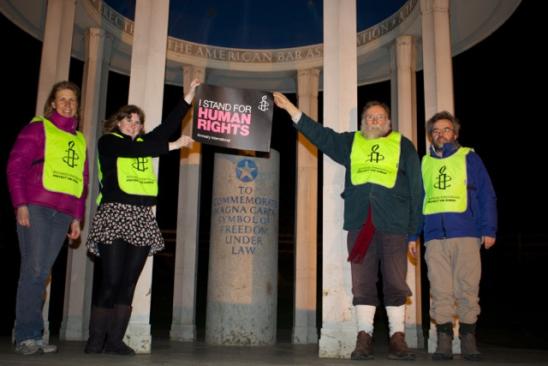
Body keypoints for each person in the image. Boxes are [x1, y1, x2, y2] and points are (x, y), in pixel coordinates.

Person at [273, 93, 421, 360]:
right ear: (363, 122)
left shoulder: (404, 145)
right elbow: (322, 136)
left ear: (388, 122)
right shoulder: (351, 142)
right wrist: (293, 110)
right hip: (359, 224)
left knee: (396, 281)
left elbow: (417, 189)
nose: (374, 120)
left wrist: (414, 230)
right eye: (369, 117)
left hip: (394, 225)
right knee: (362, 283)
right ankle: (363, 337)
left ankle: (397, 338)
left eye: (379, 117)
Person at [84, 79, 200, 355]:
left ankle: (114, 340)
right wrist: (173, 146)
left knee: (129, 282)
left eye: (138, 122)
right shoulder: (109, 143)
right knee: (110, 280)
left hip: (141, 218)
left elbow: (168, 127)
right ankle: (95, 339)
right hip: (114, 215)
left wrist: (188, 99)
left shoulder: (145, 142)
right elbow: (135, 149)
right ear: (117, 122)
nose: (133, 125)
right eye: (128, 120)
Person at [7, 81, 89, 355]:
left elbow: (82, 181)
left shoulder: (79, 139)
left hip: (63, 214)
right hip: (37, 206)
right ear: (53, 104)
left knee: (42, 273)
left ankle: (33, 333)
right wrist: (20, 204)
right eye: (62, 99)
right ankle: (25, 335)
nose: (67, 104)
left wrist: (77, 218)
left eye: (72, 100)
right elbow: (15, 166)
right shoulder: (37, 128)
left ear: (77, 105)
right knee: (33, 270)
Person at [421, 111, 496, 361]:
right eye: (435, 131)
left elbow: (486, 194)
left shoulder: (469, 158)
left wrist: (489, 229)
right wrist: (413, 234)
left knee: (467, 287)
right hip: (434, 236)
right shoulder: (425, 163)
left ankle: (467, 337)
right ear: (431, 136)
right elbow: (418, 200)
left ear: (455, 133)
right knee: (440, 288)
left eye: (446, 130)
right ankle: (444, 338)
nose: (440, 134)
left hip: (466, 233)